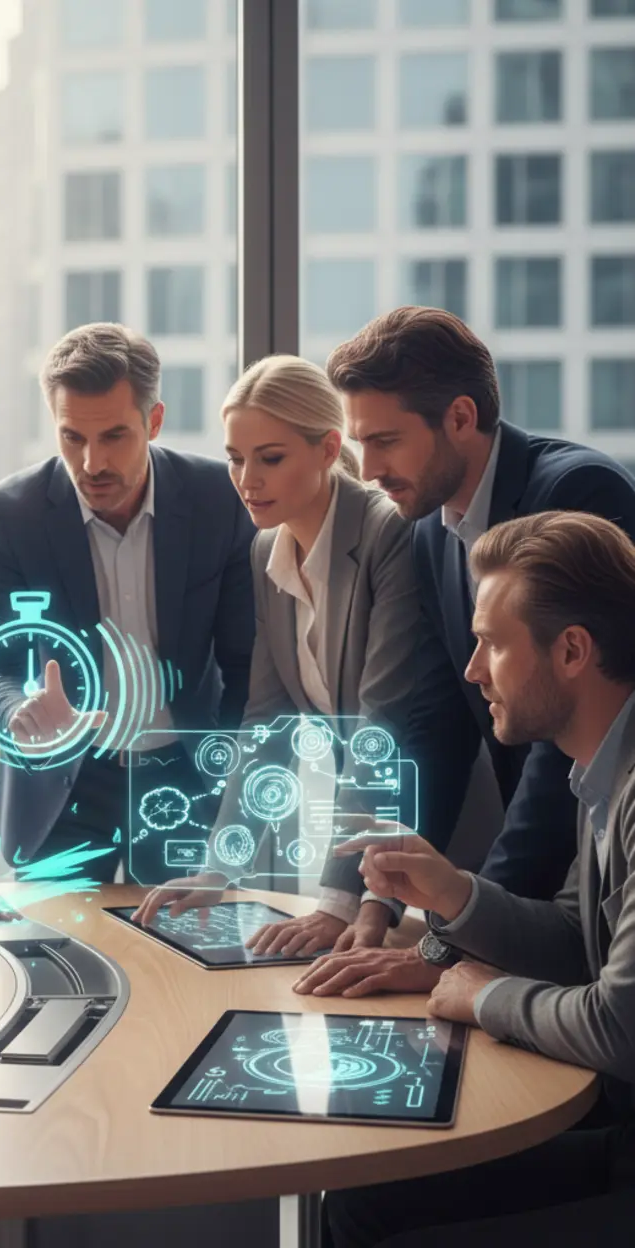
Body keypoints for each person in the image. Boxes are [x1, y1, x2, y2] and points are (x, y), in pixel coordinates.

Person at [295, 305, 635, 1000]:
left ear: (458, 417)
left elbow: (569, 732)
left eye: (385, 441)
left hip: (595, 864)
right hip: (548, 898)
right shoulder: (426, 529)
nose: (368, 469)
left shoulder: (574, 492)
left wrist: (444, 950)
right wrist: (372, 896)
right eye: (359, 442)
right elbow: (431, 727)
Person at [323, 511, 635, 1248]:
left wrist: (483, 995)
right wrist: (454, 894)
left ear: (571, 651)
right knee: (359, 1199)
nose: (471, 669)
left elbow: (620, 1026)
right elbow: (571, 940)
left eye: (492, 642)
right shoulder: (598, 772)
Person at [133, 356, 422, 953]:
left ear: (326, 449)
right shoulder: (267, 550)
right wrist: (221, 870)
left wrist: (338, 903)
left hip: (430, 822)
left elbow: (382, 724)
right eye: (236, 458)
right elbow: (266, 724)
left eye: (270, 458)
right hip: (372, 847)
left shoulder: (383, 532)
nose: (246, 479)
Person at [0, 322, 255, 881]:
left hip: (185, 774)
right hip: (62, 786)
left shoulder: (219, 499)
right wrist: (20, 714)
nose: (92, 463)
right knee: (59, 961)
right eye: (72, 437)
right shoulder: (10, 515)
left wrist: (223, 779)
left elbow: (245, 666)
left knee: (185, 958)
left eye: (114, 437)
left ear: (154, 421)